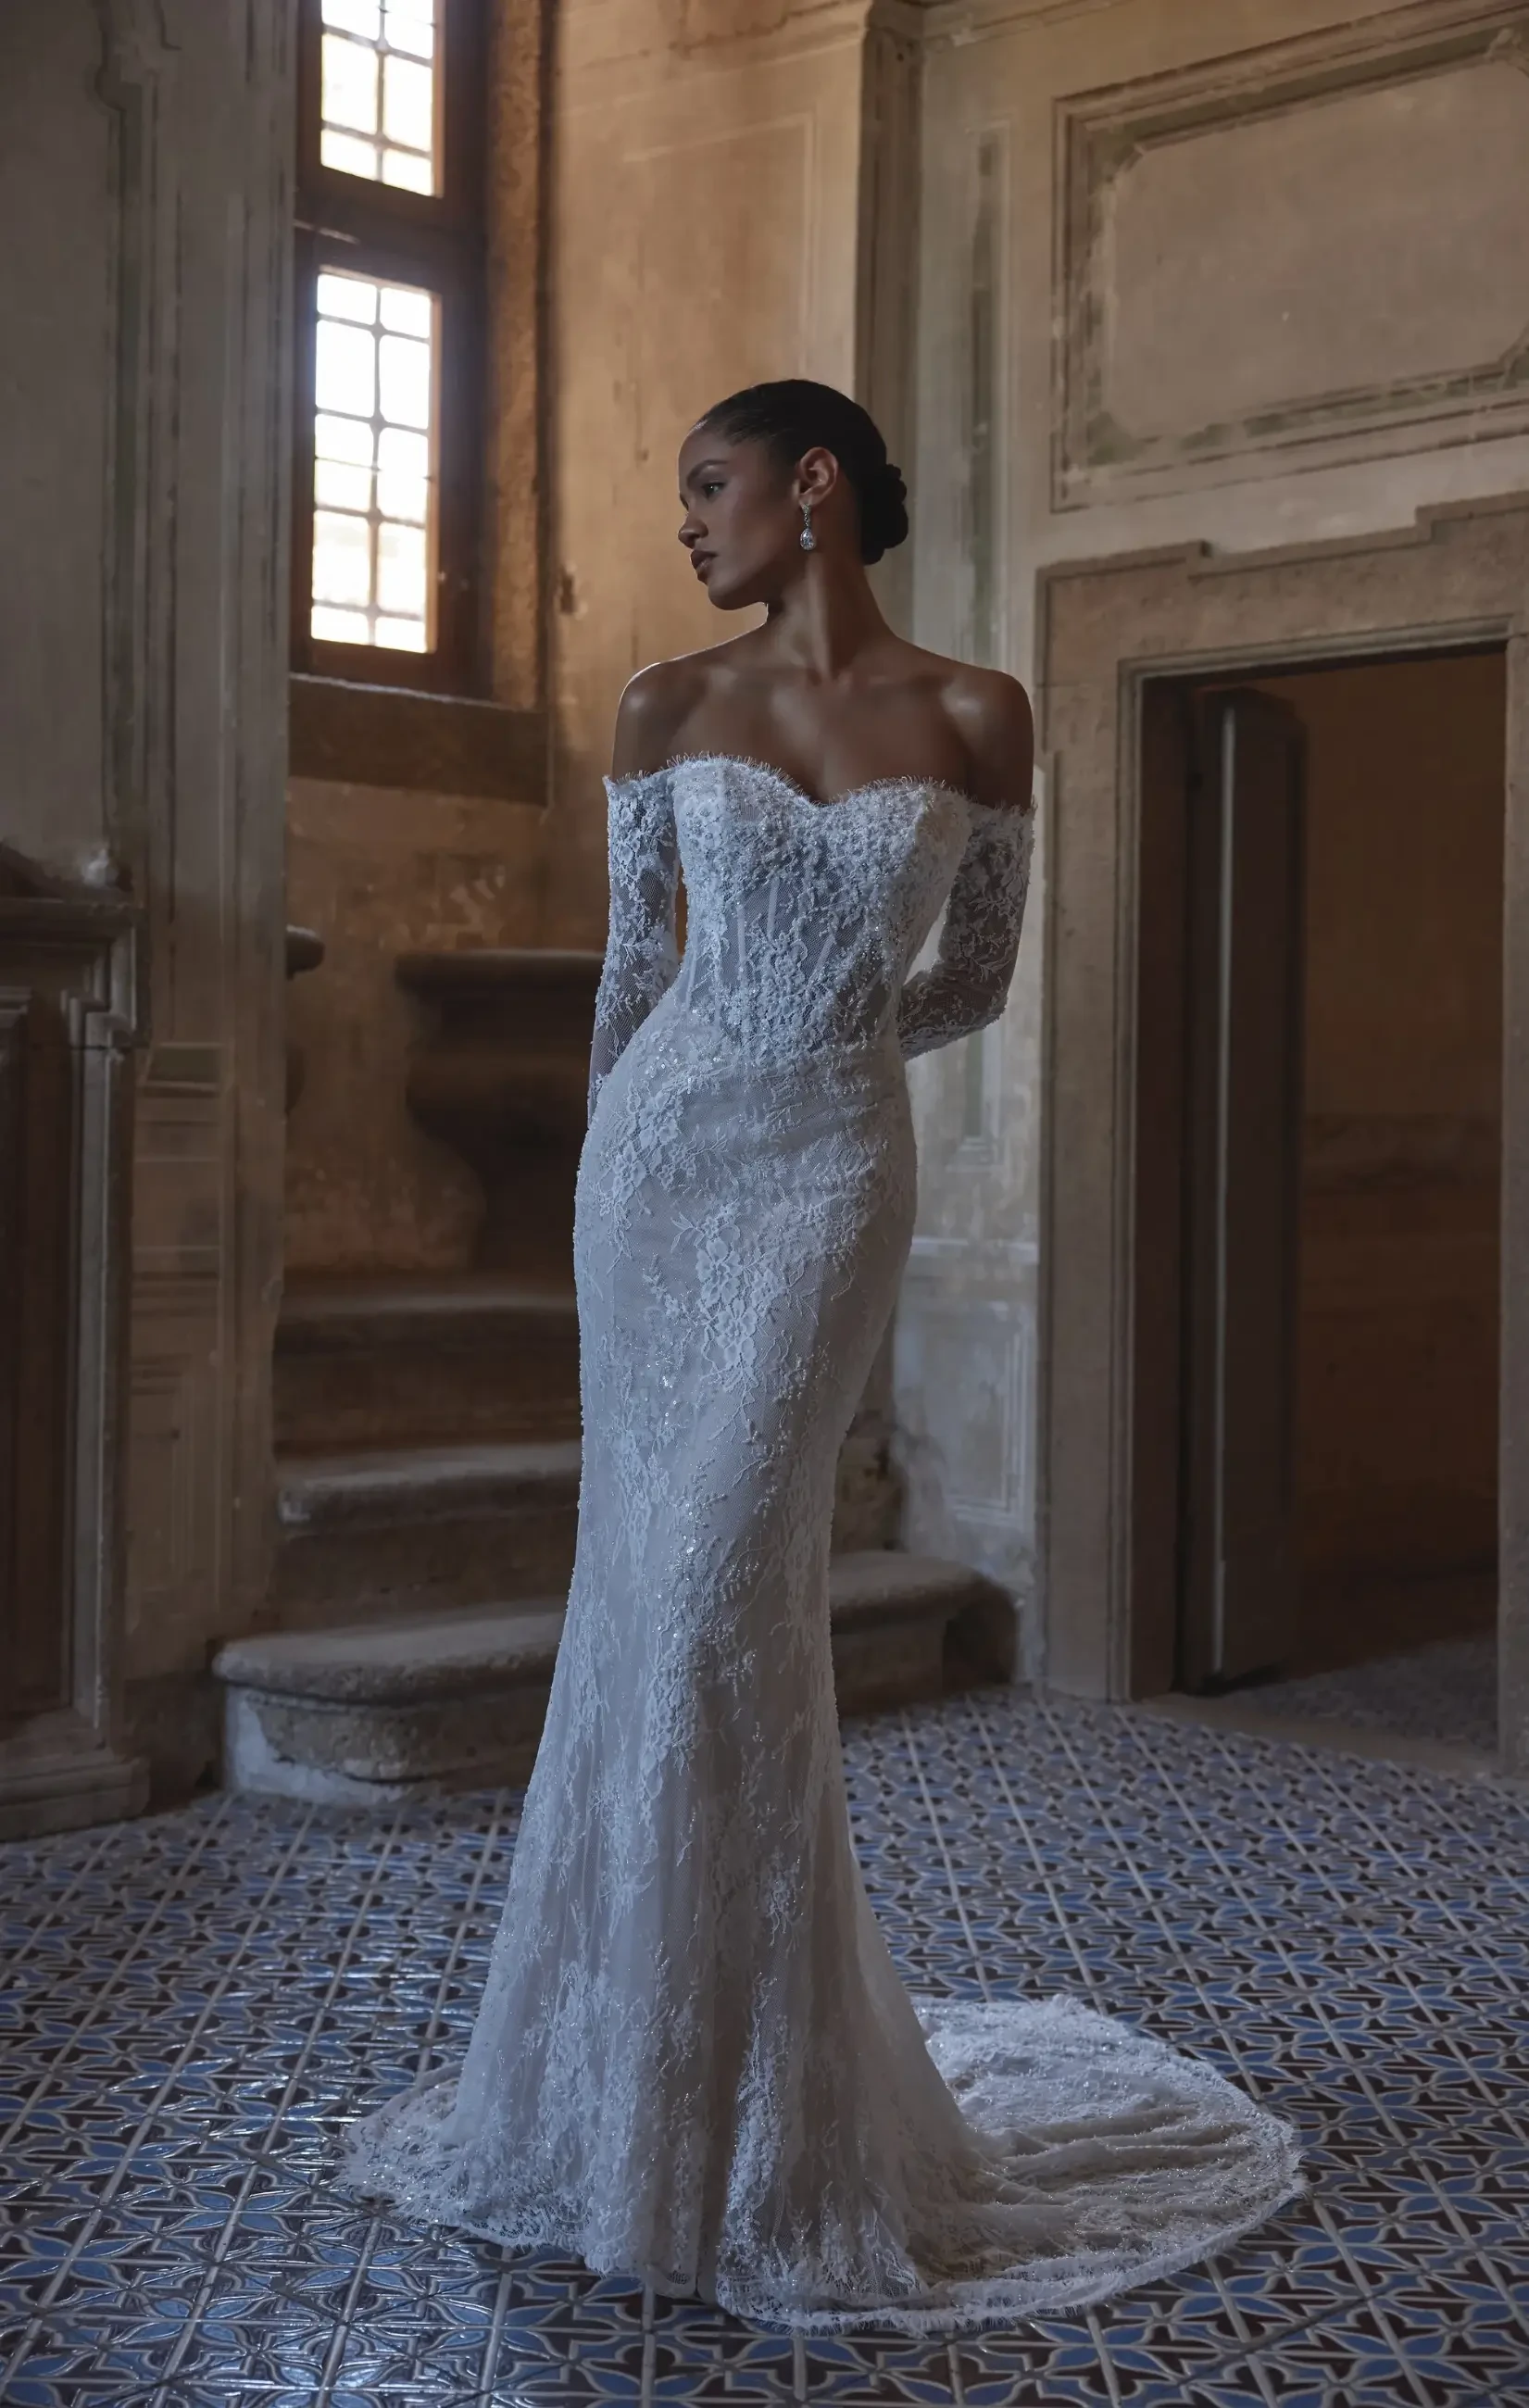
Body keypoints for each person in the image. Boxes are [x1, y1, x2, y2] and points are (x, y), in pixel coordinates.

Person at [341, 380, 1301, 2328]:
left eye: (707, 487)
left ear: (812, 486)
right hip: (662, 1172)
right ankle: (626, 2096)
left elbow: (976, 973)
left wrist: (827, 1055)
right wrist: (640, 1150)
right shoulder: (659, 709)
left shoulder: (979, 714)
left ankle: (763, 2129)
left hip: (829, 1175)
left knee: (721, 1596)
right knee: (652, 1600)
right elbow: (632, 976)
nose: (685, 525)